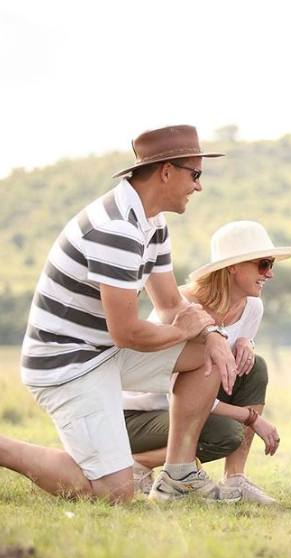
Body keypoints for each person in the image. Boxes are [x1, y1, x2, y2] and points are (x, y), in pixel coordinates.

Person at [2, 125, 239, 503]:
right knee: (115, 493)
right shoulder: (116, 229)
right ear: (166, 171)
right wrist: (183, 331)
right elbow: (127, 332)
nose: (199, 187)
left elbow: (170, 305)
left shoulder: (152, 224)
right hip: (66, 363)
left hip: (104, 352)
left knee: (207, 356)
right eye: (195, 175)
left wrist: (212, 334)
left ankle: (177, 476)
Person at [122, 221, 291, 504]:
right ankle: (139, 464)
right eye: (263, 264)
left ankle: (235, 480)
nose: (271, 273)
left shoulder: (252, 307)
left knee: (257, 367)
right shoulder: (184, 308)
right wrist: (252, 418)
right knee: (226, 434)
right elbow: (179, 389)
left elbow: (221, 374)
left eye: (271, 263)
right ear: (233, 266)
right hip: (139, 416)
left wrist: (245, 343)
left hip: (184, 411)